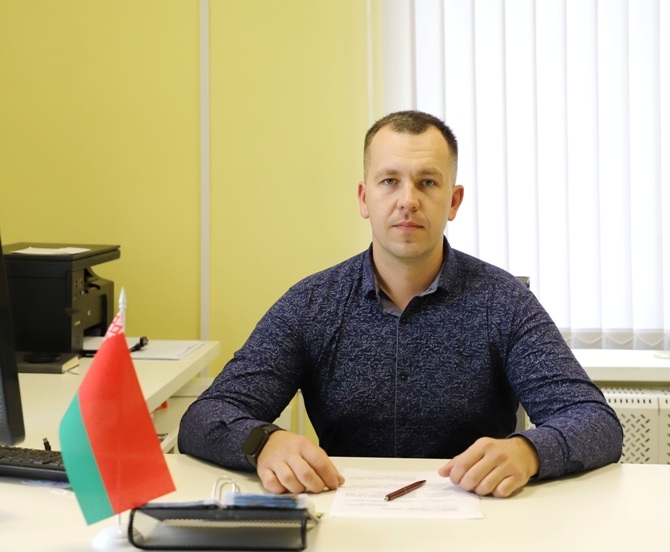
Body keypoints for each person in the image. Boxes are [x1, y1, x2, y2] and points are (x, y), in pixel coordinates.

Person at [178, 110, 623, 498]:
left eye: (427, 182)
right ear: (364, 198)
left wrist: (528, 452)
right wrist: (263, 443)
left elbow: (595, 421)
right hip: (347, 521)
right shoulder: (311, 304)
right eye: (389, 181)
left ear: (453, 201)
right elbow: (204, 417)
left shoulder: (504, 301)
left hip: (479, 522)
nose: (408, 200)